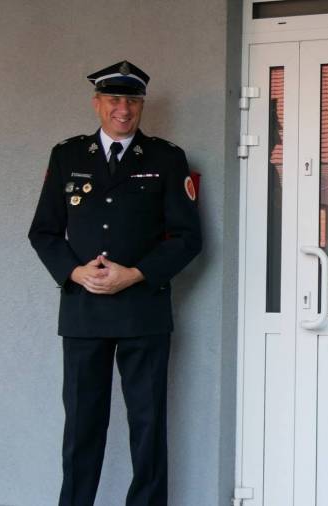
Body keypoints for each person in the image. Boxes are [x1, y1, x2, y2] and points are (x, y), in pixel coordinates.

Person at [28, 60, 202, 506]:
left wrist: (136, 273)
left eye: (132, 100)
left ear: (142, 105)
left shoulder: (167, 158)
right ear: (97, 103)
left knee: (148, 425)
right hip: (83, 312)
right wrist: (74, 271)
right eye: (113, 99)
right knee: (81, 427)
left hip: (143, 310)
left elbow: (188, 238)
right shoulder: (67, 156)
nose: (123, 109)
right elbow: (43, 232)